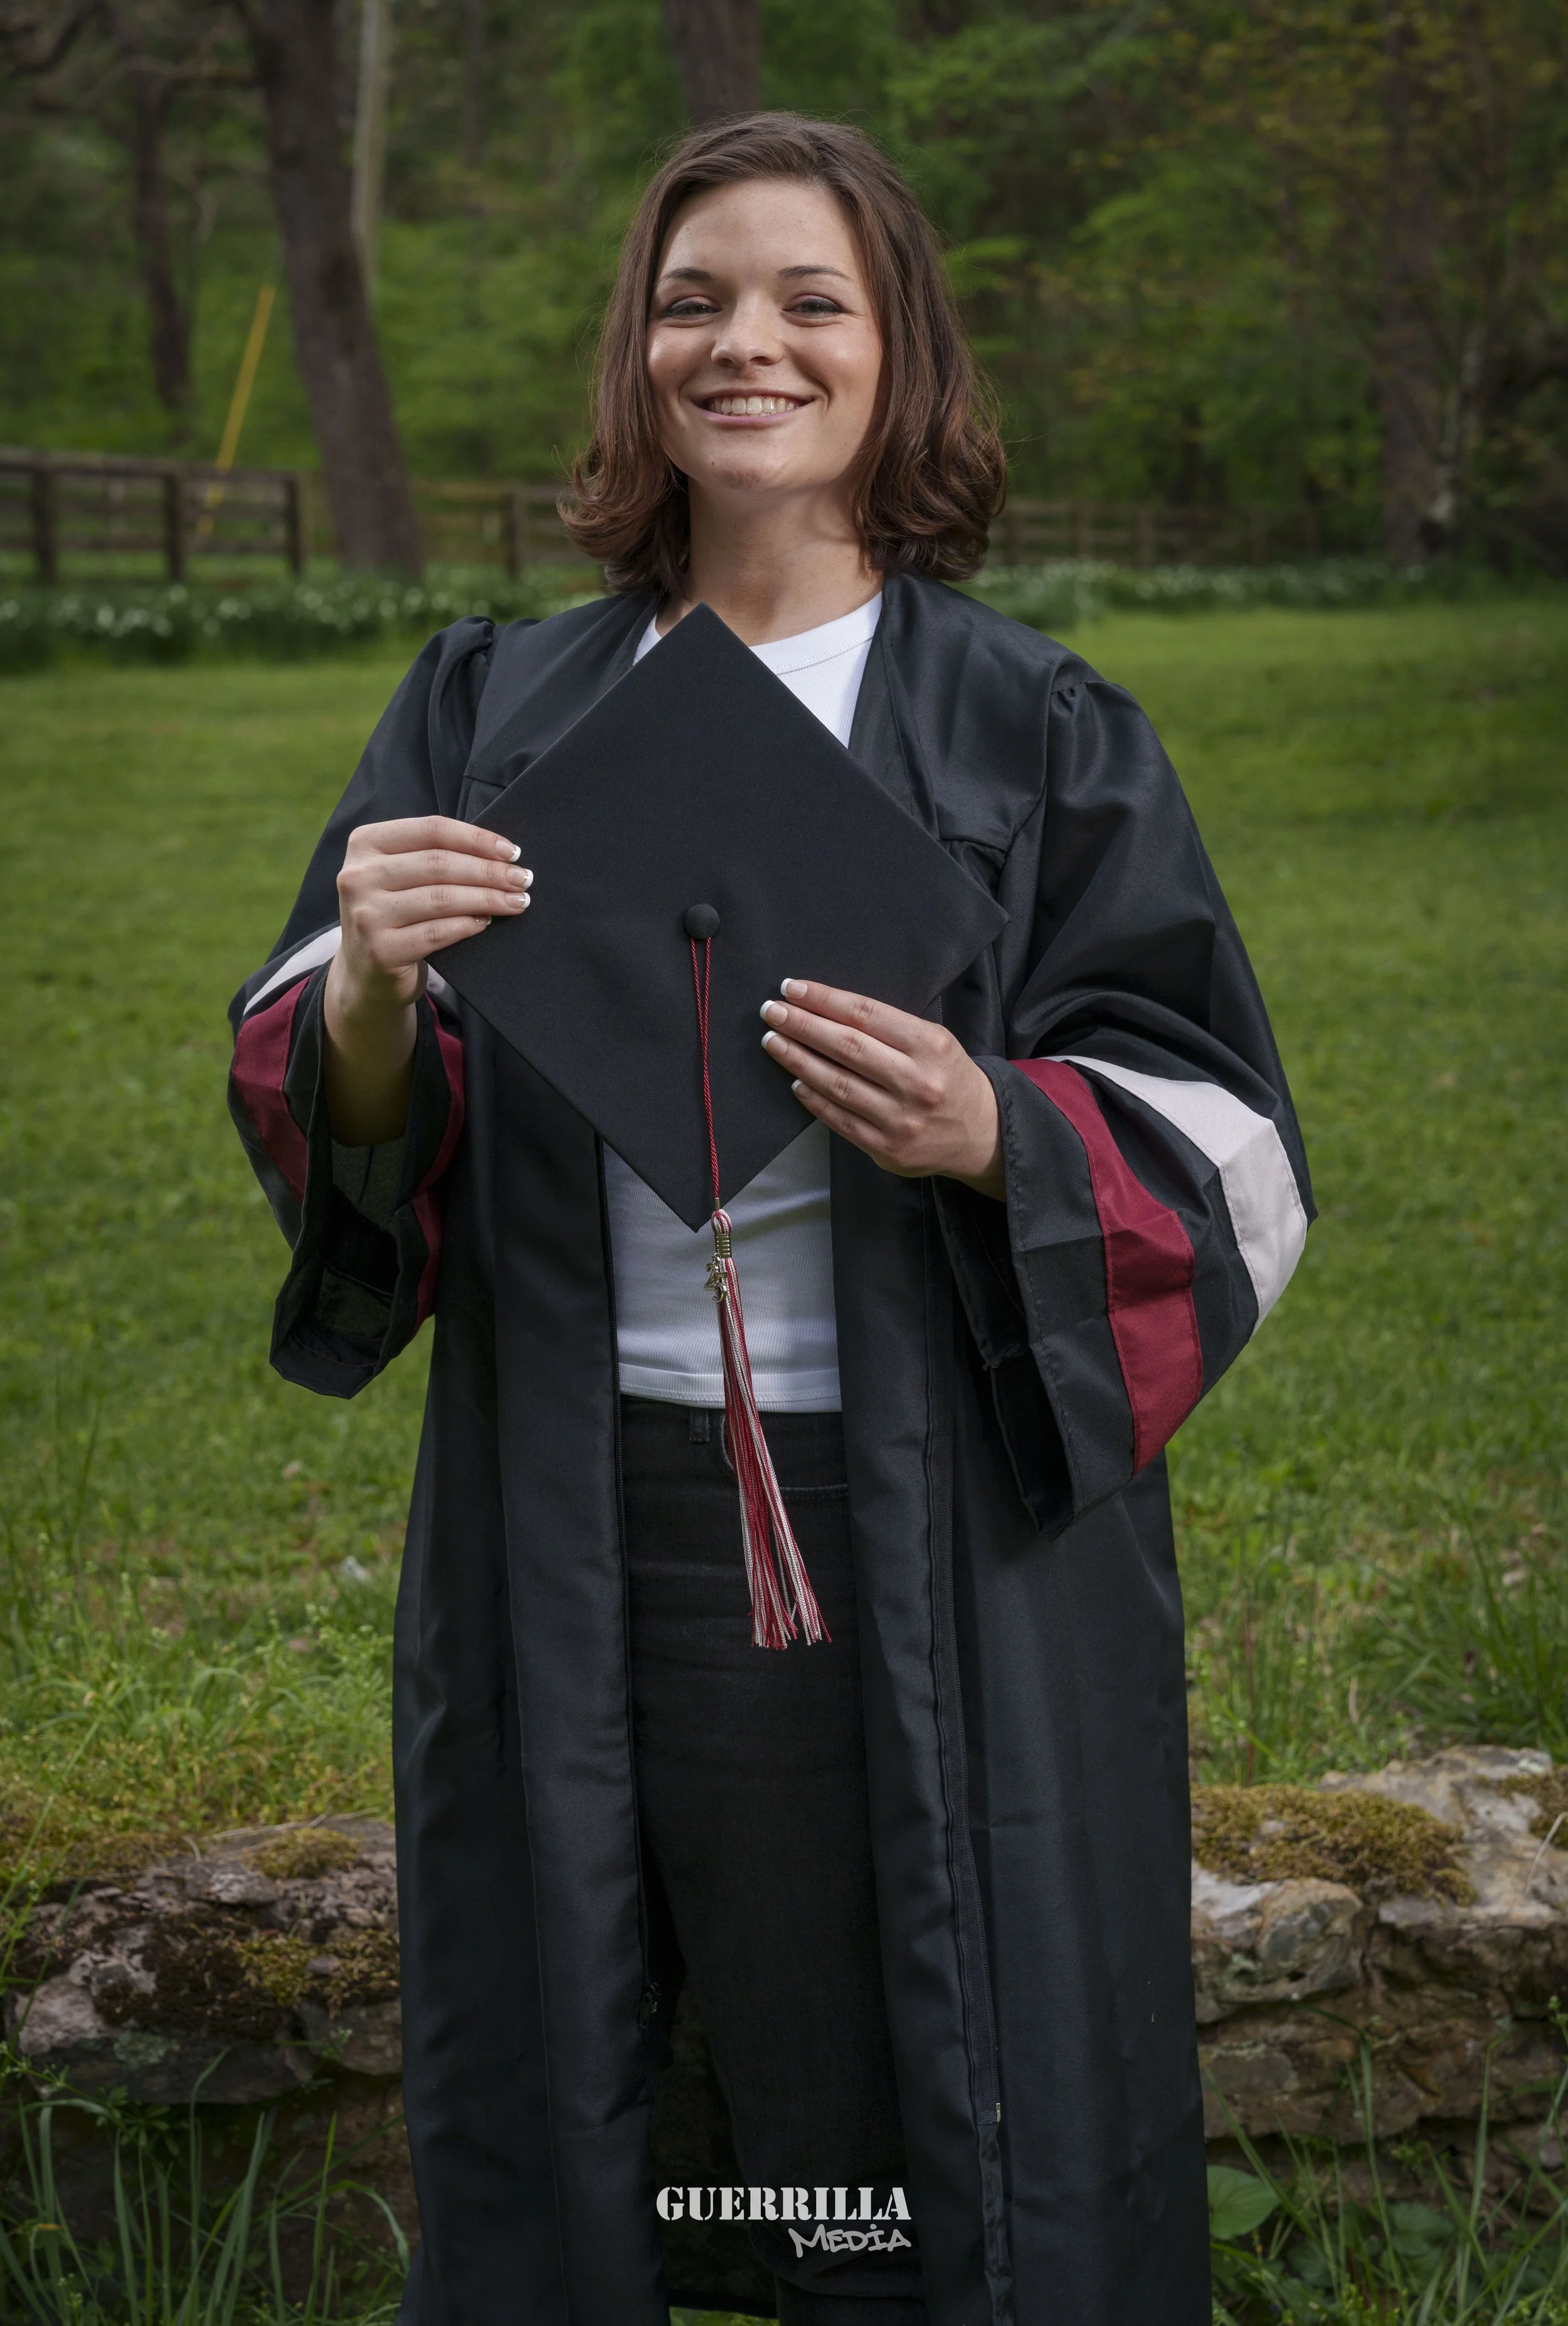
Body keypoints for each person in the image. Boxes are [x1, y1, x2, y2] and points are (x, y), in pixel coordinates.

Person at [228, 113, 1311, 2326]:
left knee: (942, 2059)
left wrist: (990, 1126)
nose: (748, 343)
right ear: (636, 354)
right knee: (572, 2004)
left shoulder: (1031, 726)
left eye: (812, 299)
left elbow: (1221, 1130)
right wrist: (361, 981)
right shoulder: (492, 703)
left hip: (939, 1529)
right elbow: (348, 1109)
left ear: (898, 351)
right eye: (694, 297)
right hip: (581, 1508)